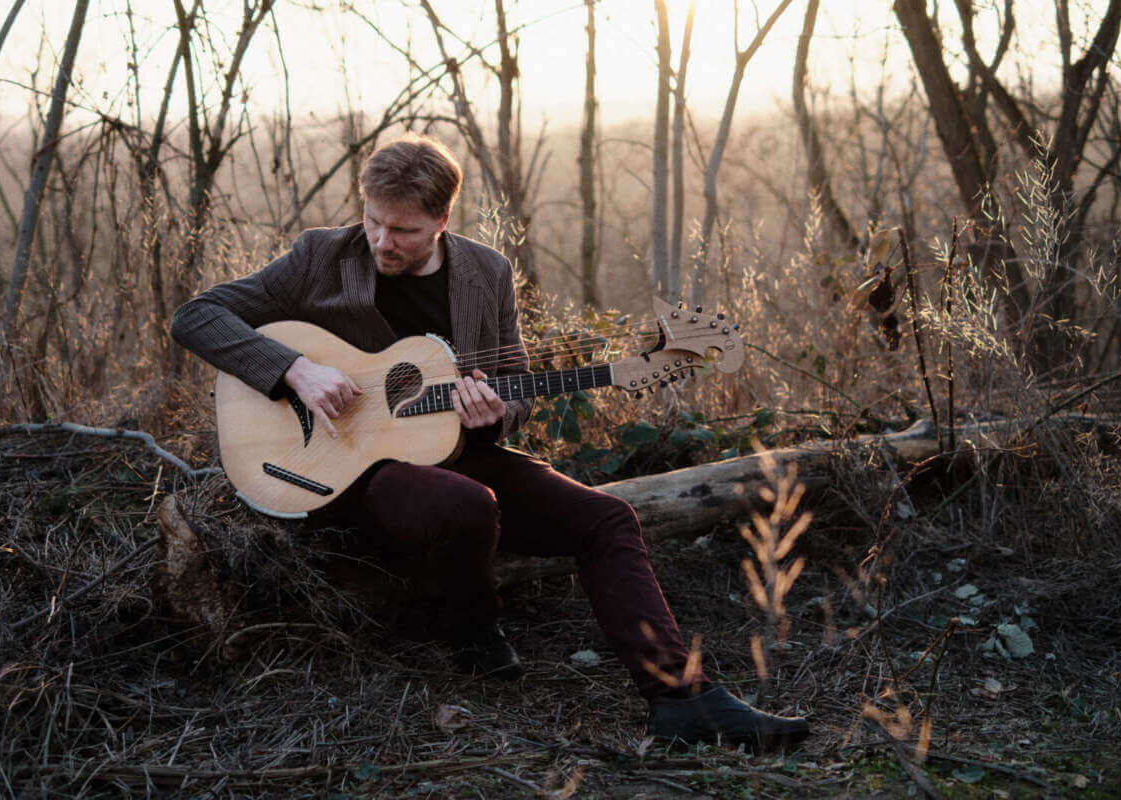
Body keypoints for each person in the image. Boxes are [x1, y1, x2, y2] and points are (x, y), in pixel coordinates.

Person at [170, 133, 809, 750]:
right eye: (373, 221)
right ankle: (471, 630)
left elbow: (518, 385)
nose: (382, 242)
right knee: (465, 503)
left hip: (455, 452)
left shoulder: (486, 272)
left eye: (403, 231)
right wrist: (294, 370)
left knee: (606, 518)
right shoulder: (321, 255)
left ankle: (681, 699)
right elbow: (197, 316)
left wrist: (495, 412)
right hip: (341, 469)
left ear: (442, 219)